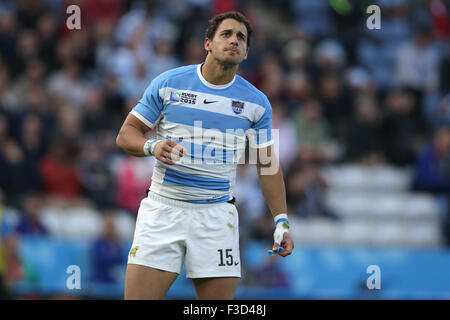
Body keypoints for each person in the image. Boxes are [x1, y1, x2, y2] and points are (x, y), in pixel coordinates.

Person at [116, 11, 294, 300]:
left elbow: (268, 165)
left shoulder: (257, 103)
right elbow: (126, 135)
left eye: (241, 37)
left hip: (216, 216)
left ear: (247, 52)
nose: (234, 40)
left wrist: (281, 221)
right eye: (226, 34)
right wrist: (152, 147)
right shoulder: (168, 83)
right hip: (163, 209)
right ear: (208, 43)